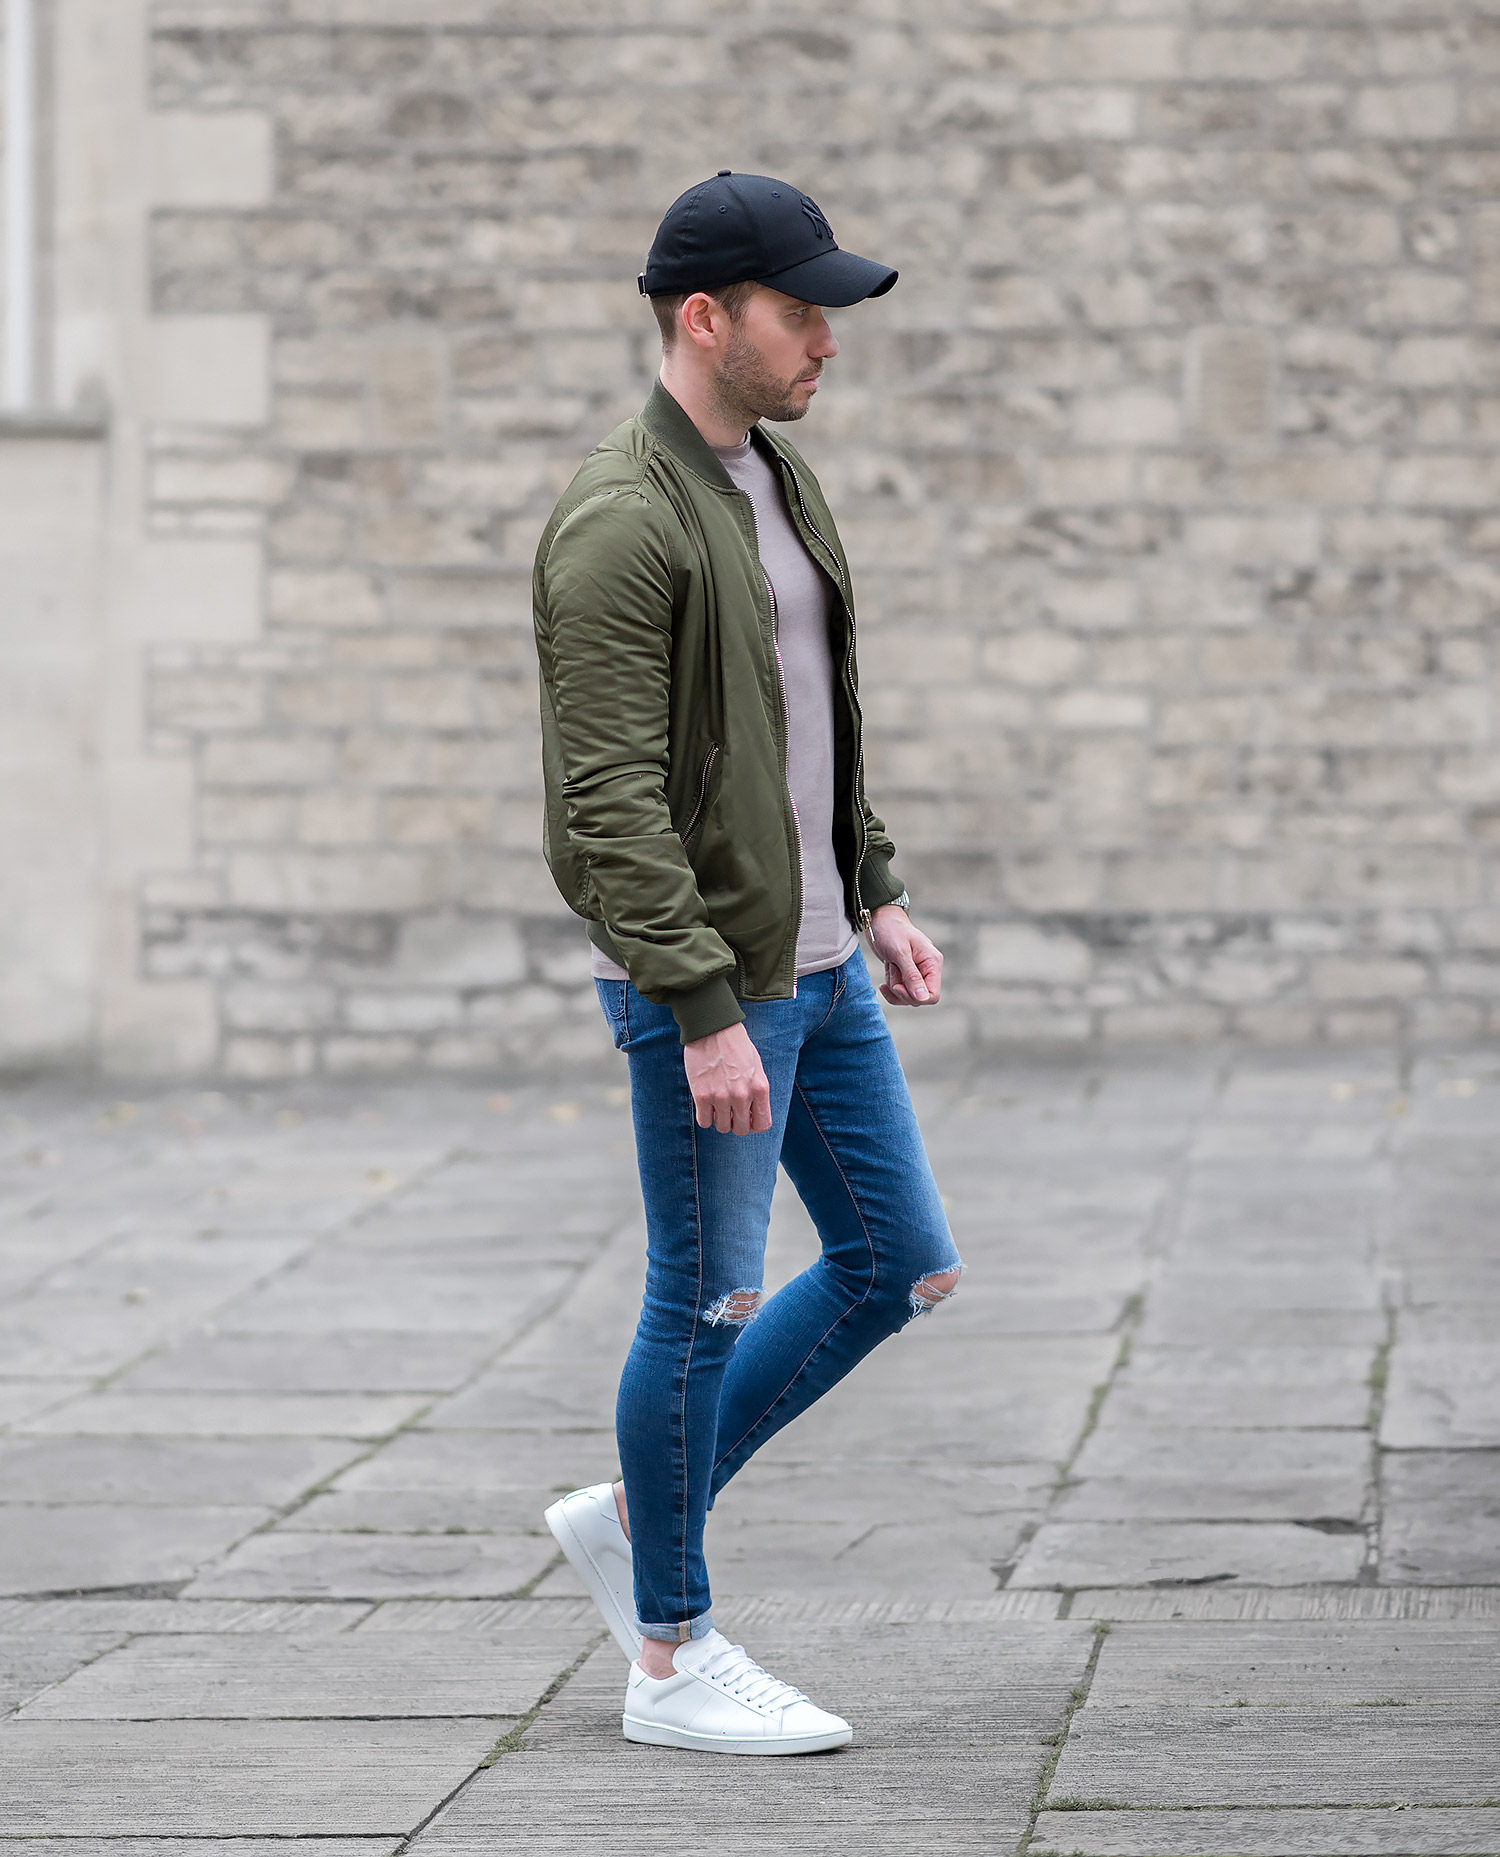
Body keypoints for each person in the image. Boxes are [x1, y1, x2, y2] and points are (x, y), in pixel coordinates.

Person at [535, 171, 963, 1757]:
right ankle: (670, 1655)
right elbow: (607, 799)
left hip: (823, 962)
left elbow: (801, 723)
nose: (827, 342)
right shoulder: (618, 517)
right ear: (707, 318)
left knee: (897, 1262)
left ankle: (637, 1511)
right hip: (711, 984)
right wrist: (702, 1008)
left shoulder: (775, 479)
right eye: (802, 313)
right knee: (705, 1299)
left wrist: (874, 886)